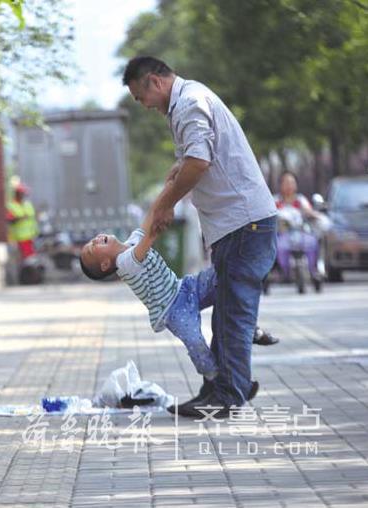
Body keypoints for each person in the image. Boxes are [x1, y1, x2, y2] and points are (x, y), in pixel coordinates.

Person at [122, 56, 277, 418]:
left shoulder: (190, 103)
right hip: (236, 227)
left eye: (139, 96)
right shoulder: (187, 104)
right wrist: (175, 178)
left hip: (245, 224)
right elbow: (191, 160)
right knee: (226, 313)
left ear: (155, 82)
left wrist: (164, 204)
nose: (143, 106)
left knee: (233, 315)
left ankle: (229, 394)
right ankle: (222, 388)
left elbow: (198, 163)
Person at [79, 193, 262, 406]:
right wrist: (160, 219)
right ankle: (223, 384)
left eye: (91, 241)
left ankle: (247, 328)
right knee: (197, 345)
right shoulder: (124, 262)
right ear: (104, 264)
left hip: (184, 287)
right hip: (173, 310)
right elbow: (149, 236)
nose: (94, 240)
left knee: (223, 275)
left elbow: (148, 219)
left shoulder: (130, 242)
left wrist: (169, 190)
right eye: (93, 248)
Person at [273, 171, 321, 282]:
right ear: (281, 185)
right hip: (282, 235)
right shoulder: (275, 201)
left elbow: (309, 212)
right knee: (277, 246)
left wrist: (315, 215)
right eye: (286, 183)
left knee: (313, 242)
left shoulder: (300, 200)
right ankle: (280, 271)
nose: (289, 185)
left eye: (292, 183)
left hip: (301, 233)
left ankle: (314, 270)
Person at [6, 182, 39, 261]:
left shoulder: (27, 204)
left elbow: (33, 218)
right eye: (22, 193)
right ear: (17, 194)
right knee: (25, 260)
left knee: (31, 259)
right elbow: (10, 220)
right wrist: (20, 218)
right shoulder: (11, 205)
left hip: (31, 237)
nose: (24, 196)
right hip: (19, 239)